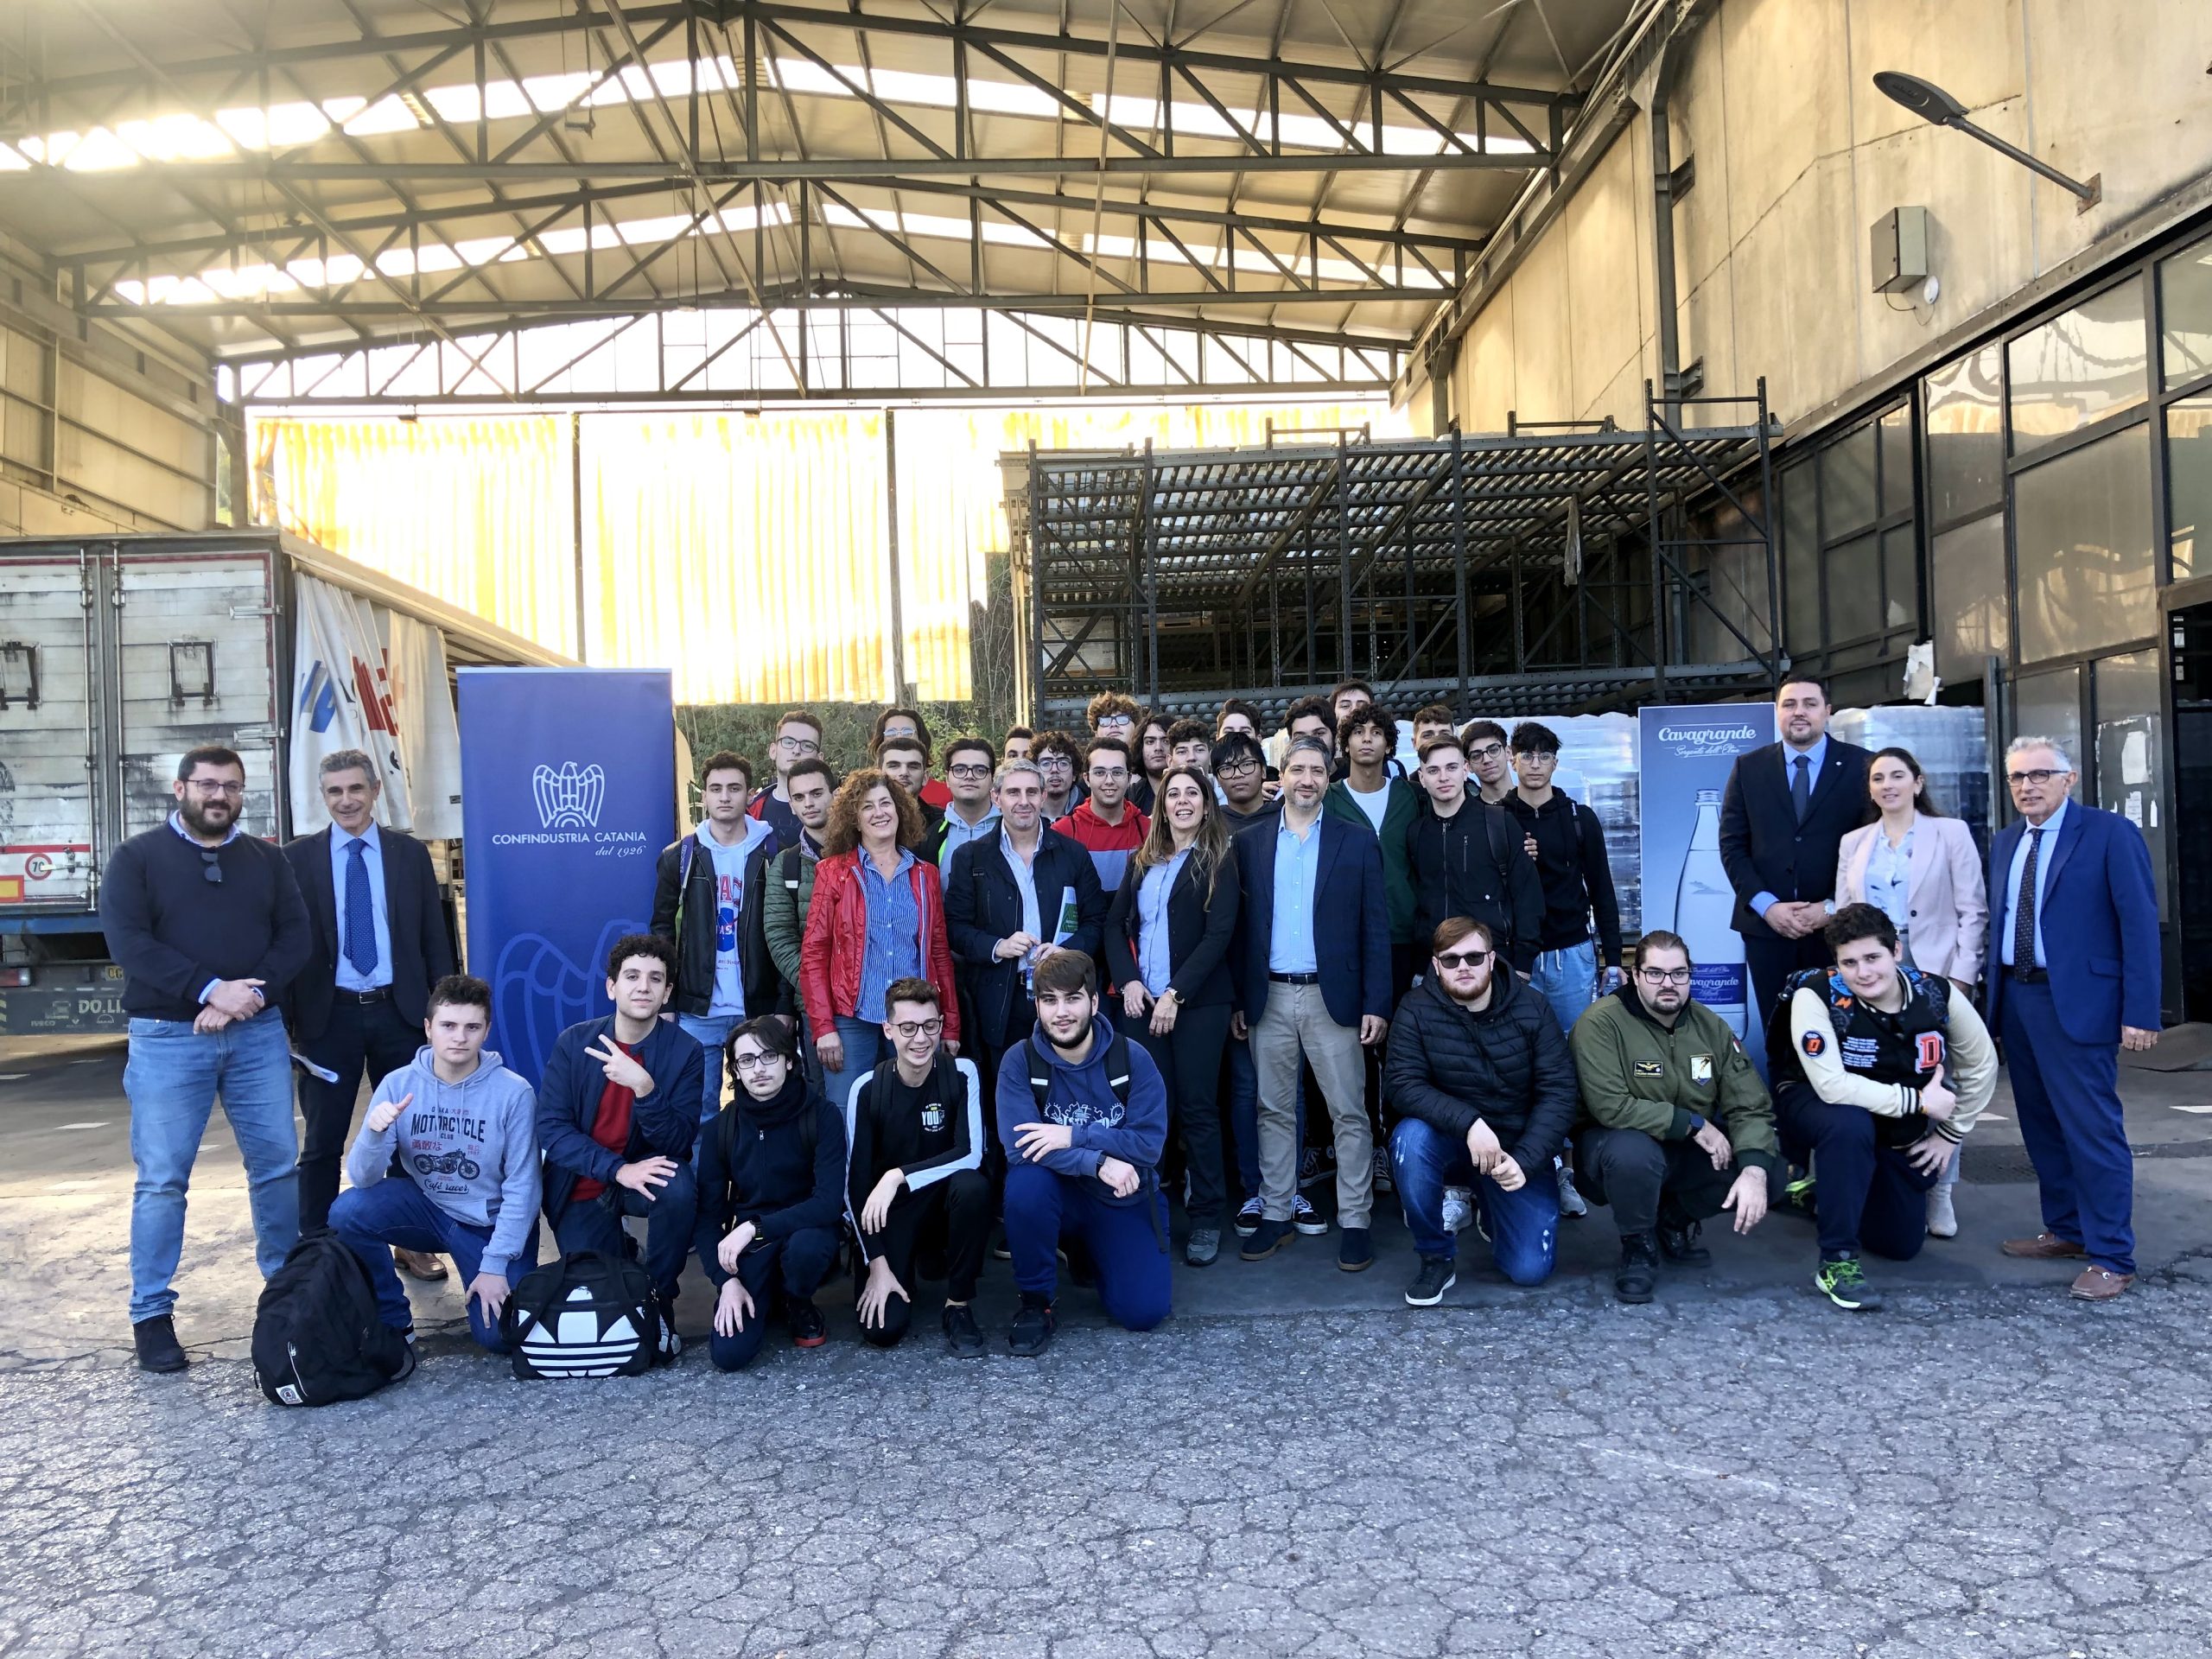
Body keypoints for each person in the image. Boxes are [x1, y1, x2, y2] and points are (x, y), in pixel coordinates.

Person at [102, 745, 311, 1373]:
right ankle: (151, 1315)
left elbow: (295, 937)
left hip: (256, 1033)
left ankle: (285, 1300)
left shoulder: (268, 861)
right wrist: (209, 989)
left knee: (276, 1169)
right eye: (208, 784)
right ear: (181, 788)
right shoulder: (137, 858)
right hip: (167, 1039)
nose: (220, 796)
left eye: (232, 786)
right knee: (163, 1180)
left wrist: (249, 996)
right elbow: (129, 942)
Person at [1986, 736, 2161, 1301]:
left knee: (2091, 1129)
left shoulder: (2110, 834)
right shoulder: (2007, 841)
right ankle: (2067, 1230)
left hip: (2081, 1004)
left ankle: (2112, 1255)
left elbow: (2139, 924)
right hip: (2017, 998)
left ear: (2070, 779)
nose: (2028, 786)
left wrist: (2141, 1011)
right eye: (2017, 777)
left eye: (2040, 774)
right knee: (2040, 1124)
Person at [1770, 904, 1997, 1311]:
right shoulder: (1815, 993)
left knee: (1900, 1244)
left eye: (1873, 957)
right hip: (1815, 1103)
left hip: (1896, 1121)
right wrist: (1919, 1102)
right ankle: (1837, 1261)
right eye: (1849, 963)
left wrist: (1951, 1133)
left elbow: (1982, 1064)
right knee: (1848, 1125)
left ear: (1896, 951)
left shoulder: (1936, 993)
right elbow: (1832, 1086)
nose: (1863, 972)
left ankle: (1825, 1193)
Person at [283, 749, 454, 1266]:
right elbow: (284, 942)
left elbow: (434, 936)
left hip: (399, 1013)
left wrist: (440, 1009)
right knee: (323, 1139)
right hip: (327, 1017)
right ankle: (317, 1248)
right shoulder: (296, 859)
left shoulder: (409, 855)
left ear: (375, 790)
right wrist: (290, 1021)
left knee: (409, 1135)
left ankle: (411, 1243)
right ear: (323, 796)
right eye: (334, 791)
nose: (346, 800)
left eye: (355, 788)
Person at [1232, 736, 1393, 1270]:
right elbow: (1240, 929)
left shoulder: (1357, 841)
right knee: (1273, 1109)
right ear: (1280, 775)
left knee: (1348, 1111)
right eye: (1297, 769)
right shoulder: (1251, 843)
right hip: (1270, 995)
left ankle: (1356, 1219)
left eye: (1317, 771)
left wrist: (1376, 1002)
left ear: (1329, 778)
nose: (1307, 779)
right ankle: (1277, 1212)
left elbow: (1376, 926)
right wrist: (1240, 997)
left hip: (1334, 996)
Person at [327, 973, 540, 1352]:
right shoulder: (398, 1084)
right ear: (428, 1028)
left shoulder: (513, 1092)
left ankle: (493, 1273)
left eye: (472, 1027)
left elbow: (524, 1187)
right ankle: (393, 1321)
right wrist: (374, 1134)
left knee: (499, 1337)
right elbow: (362, 1178)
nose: (460, 1037)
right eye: (448, 1026)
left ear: (486, 1031)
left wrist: (494, 1264)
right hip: (429, 1209)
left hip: (488, 1224)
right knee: (348, 1211)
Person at [1569, 931, 1777, 1303]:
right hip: (1614, 1145)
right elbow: (1610, 1106)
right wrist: (1694, 1125)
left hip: (1684, 1148)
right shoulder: (1600, 1023)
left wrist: (1754, 1170)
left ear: (1689, 975)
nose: (1668, 983)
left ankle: (1672, 1221)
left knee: (1768, 1169)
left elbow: (1749, 1104)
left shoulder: (1710, 1026)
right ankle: (1638, 1246)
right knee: (1632, 1154)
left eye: (1679, 973)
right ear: (1636, 976)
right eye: (1655, 973)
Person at [1834, 746, 1988, 1239]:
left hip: (1935, 969)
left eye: (1897, 776)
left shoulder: (1950, 833)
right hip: (1872, 971)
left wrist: (1960, 978)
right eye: (1878, 778)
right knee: (1876, 1070)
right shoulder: (1854, 842)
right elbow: (1844, 916)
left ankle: (1941, 1189)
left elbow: (1972, 911)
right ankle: (1884, 1184)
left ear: (1917, 782)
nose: (1888, 786)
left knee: (1944, 1077)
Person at [1386, 917, 1578, 1305]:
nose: (1463, 967)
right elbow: (1402, 1084)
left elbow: (1559, 1092)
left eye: (1474, 957)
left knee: (1529, 1270)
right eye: (1451, 959)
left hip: (1514, 1149)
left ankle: (1492, 1209)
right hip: (1450, 1139)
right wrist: (1470, 1123)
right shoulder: (1415, 1008)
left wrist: (1526, 1161)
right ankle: (1436, 1257)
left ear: (1491, 959)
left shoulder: (1532, 1006)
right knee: (1410, 1140)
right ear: (1436, 965)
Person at [997, 950, 1172, 1355]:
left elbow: (1148, 1146)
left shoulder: (1132, 1058)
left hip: (1120, 1196)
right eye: (1049, 1000)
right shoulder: (1019, 1061)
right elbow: (1021, 1147)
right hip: (1058, 1192)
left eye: (1072, 998)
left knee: (1144, 1312)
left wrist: (1071, 1136)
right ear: (1037, 1006)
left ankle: (1090, 1250)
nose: (1061, 1012)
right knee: (1025, 1187)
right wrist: (1097, 1161)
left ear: (1094, 1002)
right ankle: (1036, 1302)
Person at [537, 933, 702, 1347]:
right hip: (586, 1181)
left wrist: (645, 1089)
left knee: (678, 1186)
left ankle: (660, 1297)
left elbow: (679, 1141)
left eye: (655, 979)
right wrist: (617, 1169)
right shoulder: (574, 1043)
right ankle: (624, 1251)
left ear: (667, 993)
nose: (643, 987)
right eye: (632, 976)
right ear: (612, 987)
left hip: (643, 1178)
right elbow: (552, 1129)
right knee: (600, 1298)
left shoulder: (686, 1051)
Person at [1106, 765, 1241, 1265]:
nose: (1182, 801)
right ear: (1161, 805)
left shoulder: (1219, 858)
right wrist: (1129, 981)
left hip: (1198, 1004)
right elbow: (1114, 926)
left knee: (1198, 1110)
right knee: (1147, 1111)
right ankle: (1145, 1212)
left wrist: (1176, 994)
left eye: (1192, 794)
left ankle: (1205, 1218)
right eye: (1173, 794)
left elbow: (1219, 935)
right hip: (1142, 1003)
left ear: (1206, 804)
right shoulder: (1143, 859)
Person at [943, 758, 1108, 1108]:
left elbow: (1096, 921)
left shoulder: (1073, 854)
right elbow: (955, 928)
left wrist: (1067, 952)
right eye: (1013, 792)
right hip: (1002, 997)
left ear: (1044, 796)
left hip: (1062, 993)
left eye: (1032, 792)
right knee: (1007, 1096)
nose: (1023, 801)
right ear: (996, 797)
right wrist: (997, 946)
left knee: (1065, 1093)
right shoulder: (971, 857)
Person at [798, 768, 962, 1114]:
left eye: (886, 803)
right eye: (867, 806)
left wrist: (949, 1024)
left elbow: (938, 954)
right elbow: (814, 953)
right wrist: (823, 1026)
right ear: (854, 819)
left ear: (900, 810)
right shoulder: (834, 873)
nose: (879, 813)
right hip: (851, 1017)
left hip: (915, 1017)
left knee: (913, 1111)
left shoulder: (925, 875)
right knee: (847, 1111)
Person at [1718, 676, 1876, 1027]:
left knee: (1842, 1031)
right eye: (1789, 704)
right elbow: (1732, 844)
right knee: (1780, 1032)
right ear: (1777, 713)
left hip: (1840, 930)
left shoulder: (1862, 767)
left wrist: (1832, 907)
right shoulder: (1749, 767)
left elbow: (1872, 847)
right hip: (1767, 930)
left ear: (1827, 711)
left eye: (1809, 704)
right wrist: (1767, 906)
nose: (1799, 712)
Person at [844, 978, 989, 1356]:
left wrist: (898, 1176)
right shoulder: (866, 1088)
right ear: (888, 1030)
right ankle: (904, 1263)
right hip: (892, 1214)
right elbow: (855, 1187)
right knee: (883, 1330)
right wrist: (876, 1263)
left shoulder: (963, 1072)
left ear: (941, 1024)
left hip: (943, 1203)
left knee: (973, 1187)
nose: (921, 1038)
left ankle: (958, 1304)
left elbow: (971, 1154)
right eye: (908, 1028)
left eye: (930, 1025)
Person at [694, 1016, 847, 1368]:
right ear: (735, 1070)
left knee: (806, 1250)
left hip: (806, 1229)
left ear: (789, 1060)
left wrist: (754, 1227)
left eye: (768, 1056)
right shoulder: (722, 1129)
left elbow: (828, 1203)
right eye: (746, 1060)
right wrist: (725, 1282)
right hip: (755, 1245)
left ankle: (797, 1298)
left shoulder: (822, 1115)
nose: (758, 1068)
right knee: (730, 1355)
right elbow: (708, 1218)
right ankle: (769, 1293)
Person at [652, 750, 779, 1135]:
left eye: (734, 788)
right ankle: (703, 1179)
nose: (725, 796)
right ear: (703, 795)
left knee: (764, 1111)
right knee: (699, 1114)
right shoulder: (679, 857)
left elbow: (787, 934)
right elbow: (662, 931)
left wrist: (783, 1006)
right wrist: (667, 1002)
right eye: (716, 788)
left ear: (749, 794)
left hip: (757, 1007)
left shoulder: (773, 851)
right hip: (698, 1011)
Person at [1325, 705, 1420, 1194]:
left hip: (1405, 939)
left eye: (1376, 732)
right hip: (1349, 943)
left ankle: (1397, 1146)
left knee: (1401, 1049)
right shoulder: (1330, 797)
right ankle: (1362, 1147)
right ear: (1344, 744)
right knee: (1354, 1051)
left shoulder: (1410, 796)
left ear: (1389, 743)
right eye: (1357, 732)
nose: (1367, 740)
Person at [1503, 722, 1624, 1033]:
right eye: (1527, 755)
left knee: (1576, 1040)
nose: (1535, 764)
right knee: (1518, 1043)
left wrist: (1613, 959)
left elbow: (1602, 889)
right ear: (1512, 760)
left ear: (1555, 764)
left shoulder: (1579, 818)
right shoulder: (1497, 818)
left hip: (1571, 952)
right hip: (1515, 954)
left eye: (1544, 757)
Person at [1407, 733, 1546, 979]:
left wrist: (1523, 964)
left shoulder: (1498, 823)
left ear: (1465, 769)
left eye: (1451, 767)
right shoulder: (1417, 833)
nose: (1443, 777)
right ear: (1422, 778)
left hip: (1494, 966)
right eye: (1433, 770)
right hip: (1434, 969)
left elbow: (1528, 895)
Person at [761, 756, 836, 1022]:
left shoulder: (865, 853)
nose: (808, 803)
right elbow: (779, 936)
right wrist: (816, 986)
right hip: (815, 1006)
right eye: (799, 797)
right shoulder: (786, 864)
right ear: (792, 806)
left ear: (835, 795)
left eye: (816, 793)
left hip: (872, 999)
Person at [1054, 736, 1149, 895]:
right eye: (1100, 772)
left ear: (1129, 778)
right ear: (1087, 778)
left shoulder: (1148, 830)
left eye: (1117, 772)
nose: (1109, 780)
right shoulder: (1063, 832)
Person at [749, 709, 823, 849]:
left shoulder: (837, 812)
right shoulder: (749, 812)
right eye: (788, 742)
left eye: (807, 745)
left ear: (819, 759)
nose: (796, 750)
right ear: (773, 751)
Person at [927, 734, 1001, 871]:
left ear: (992, 779)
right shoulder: (931, 837)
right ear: (947, 779)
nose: (969, 776)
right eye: (960, 770)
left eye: (980, 770)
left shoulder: (1010, 828)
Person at [873, 707, 950, 810]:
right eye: (891, 733)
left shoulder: (945, 794)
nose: (900, 737)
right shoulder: (865, 799)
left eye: (908, 732)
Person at [877, 736, 945, 834]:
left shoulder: (942, 822)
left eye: (913, 767)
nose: (904, 773)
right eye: (894, 766)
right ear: (877, 774)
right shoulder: (861, 820)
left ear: (925, 777)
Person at [1212, 730, 1275, 832]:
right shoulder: (1210, 826)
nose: (1237, 774)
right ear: (1217, 779)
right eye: (1227, 768)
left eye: (1246, 764)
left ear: (1263, 771)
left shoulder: (1285, 818)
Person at [1462, 720, 1515, 807]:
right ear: (1469, 766)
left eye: (1493, 750)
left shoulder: (1534, 803)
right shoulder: (1466, 813)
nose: (1487, 760)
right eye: (1477, 756)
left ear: (1508, 752)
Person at [1033, 730, 1083, 822]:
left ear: (1074, 774)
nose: (1054, 769)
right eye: (1046, 763)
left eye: (1063, 763)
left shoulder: (1088, 817)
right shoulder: (1023, 816)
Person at [1134, 713, 1173, 812]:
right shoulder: (1132, 795)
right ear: (1141, 748)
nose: (1158, 748)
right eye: (1150, 742)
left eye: (1166, 741)